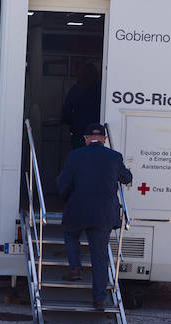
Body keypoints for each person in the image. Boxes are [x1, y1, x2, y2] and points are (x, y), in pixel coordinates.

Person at [56, 123, 132, 311]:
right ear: (104, 140)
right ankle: (100, 299)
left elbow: (63, 183)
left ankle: (74, 268)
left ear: (86, 139)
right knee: (100, 257)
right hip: (104, 213)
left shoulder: (75, 156)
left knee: (70, 232)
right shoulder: (114, 157)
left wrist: (66, 198)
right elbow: (127, 178)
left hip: (79, 209)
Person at [59, 60, 102, 148]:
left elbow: (66, 111)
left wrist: (71, 122)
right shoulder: (102, 91)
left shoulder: (76, 89)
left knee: (78, 157)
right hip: (97, 131)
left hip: (79, 131)